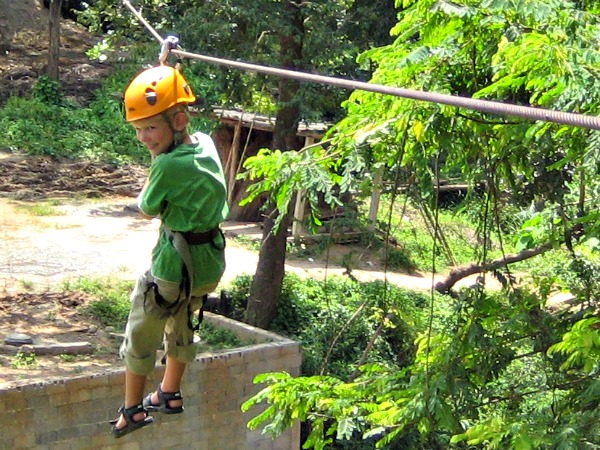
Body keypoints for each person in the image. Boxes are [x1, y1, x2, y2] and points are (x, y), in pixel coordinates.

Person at [110, 64, 228, 438]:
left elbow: (147, 208)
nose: (143, 137)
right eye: (138, 129)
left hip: (173, 265)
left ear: (178, 120)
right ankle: (169, 394)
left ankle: (132, 410)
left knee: (142, 325)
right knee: (184, 319)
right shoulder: (207, 144)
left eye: (150, 128)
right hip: (208, 263)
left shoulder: (165, 164)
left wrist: (149, 184)